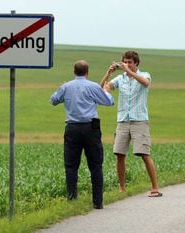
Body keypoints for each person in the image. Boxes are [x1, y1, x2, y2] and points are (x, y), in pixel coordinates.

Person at [50, 60, 114, 209]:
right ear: (87, 72)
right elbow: (108, 102)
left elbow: (53, 100)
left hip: (72, 128)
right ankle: (97, 202)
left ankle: (72, 200)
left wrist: (62, 90)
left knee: (71, 165)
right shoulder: (92, 86)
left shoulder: (66, 87)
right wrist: (107, 92)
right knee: (96, 165)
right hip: (91, 128)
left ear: (74, 72)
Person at [100, 51, 162, 197]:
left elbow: (146, 83)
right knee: (119, 154)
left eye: (130, 62)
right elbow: (102, 89)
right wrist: (108, 73)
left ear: (136, 64)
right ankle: (122, 188)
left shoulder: (145, 74)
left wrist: (129, 72)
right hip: (123, 120)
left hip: (139, 120)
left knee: (144, 153)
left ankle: (155, 187)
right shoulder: (120, 79)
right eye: (125, 62)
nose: (127, 65)